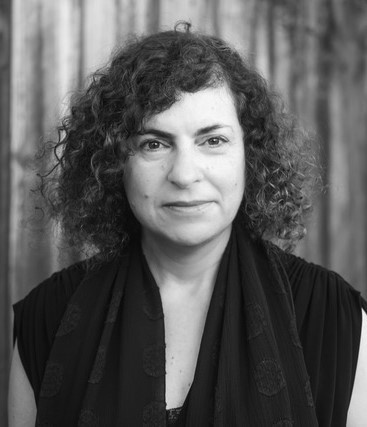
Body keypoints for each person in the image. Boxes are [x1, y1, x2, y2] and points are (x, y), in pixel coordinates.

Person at [8, 23, 367, 427]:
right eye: (153, 144)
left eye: (212, 140)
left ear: (249, 155)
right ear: (113, 164)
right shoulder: (45, 320)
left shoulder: (333, 318)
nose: (184, 174)